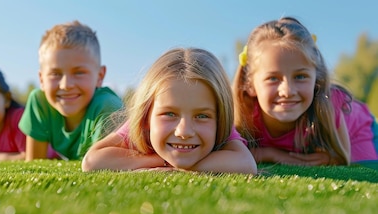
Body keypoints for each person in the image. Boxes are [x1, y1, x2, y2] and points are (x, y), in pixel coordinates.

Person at [82, 48, 257, 174]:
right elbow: (92, 161)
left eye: (202, 116)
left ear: (220, 120)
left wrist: (179, 168)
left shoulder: (221, 128)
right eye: (170, 114)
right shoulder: (140, 125)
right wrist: (161, 161)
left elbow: (246, 164)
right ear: (146, 117)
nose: (184, 131)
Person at [233, 17, 378, 165]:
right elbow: (230, 153)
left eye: (300, 76)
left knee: (366, 170)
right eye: (272, 78)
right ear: (249, 84)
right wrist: (270, 154)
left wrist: (329, 158)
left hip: (358, 127)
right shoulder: (244, 115)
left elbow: (342, 157)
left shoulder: (330, 104)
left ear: (316, 78)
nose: (287, 91)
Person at [19, 20, 124, 160]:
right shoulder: (40, 103)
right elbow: (33, 164)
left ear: (100, 76)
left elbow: (105, 168)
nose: (66, 85)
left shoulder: (107, 108)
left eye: (79, 72)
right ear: (42, 79)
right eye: (55, 74)